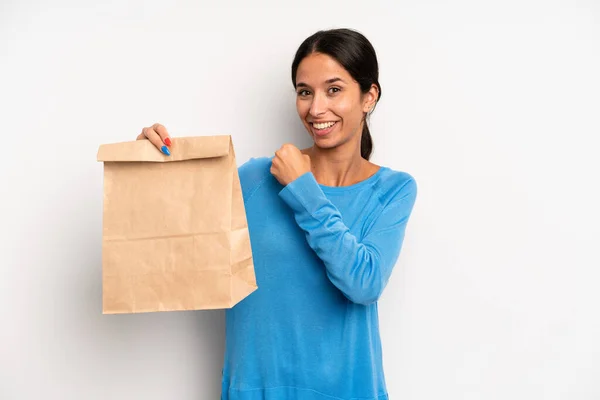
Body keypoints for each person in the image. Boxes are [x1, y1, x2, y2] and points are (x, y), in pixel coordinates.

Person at [136, 28, 417, 400]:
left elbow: (363, 283)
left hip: (348, 390)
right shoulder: (255, 178)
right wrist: (146, 168)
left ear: (369, 96)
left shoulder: (393, 190)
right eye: (305, 92)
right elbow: (173, 243)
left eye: (334, 89)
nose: (316, 109)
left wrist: (302, 189)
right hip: (257, 389)